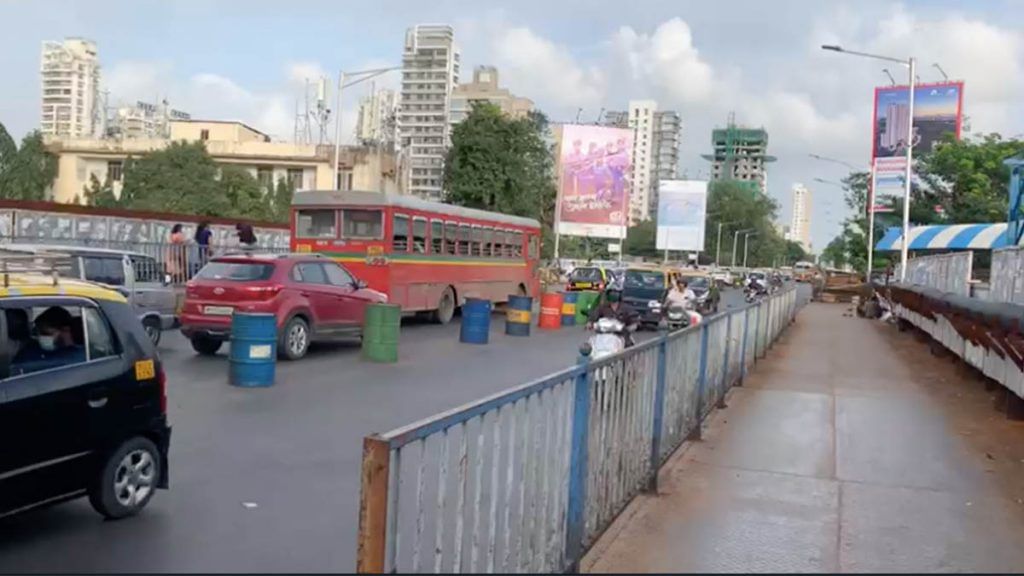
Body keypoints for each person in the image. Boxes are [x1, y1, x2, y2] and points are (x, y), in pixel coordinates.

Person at [13, 306, 86, 373]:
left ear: (65, 330)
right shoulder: (31, 351)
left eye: (46, 333)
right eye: (37, 333)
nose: (40, 337)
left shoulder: (83, 357)